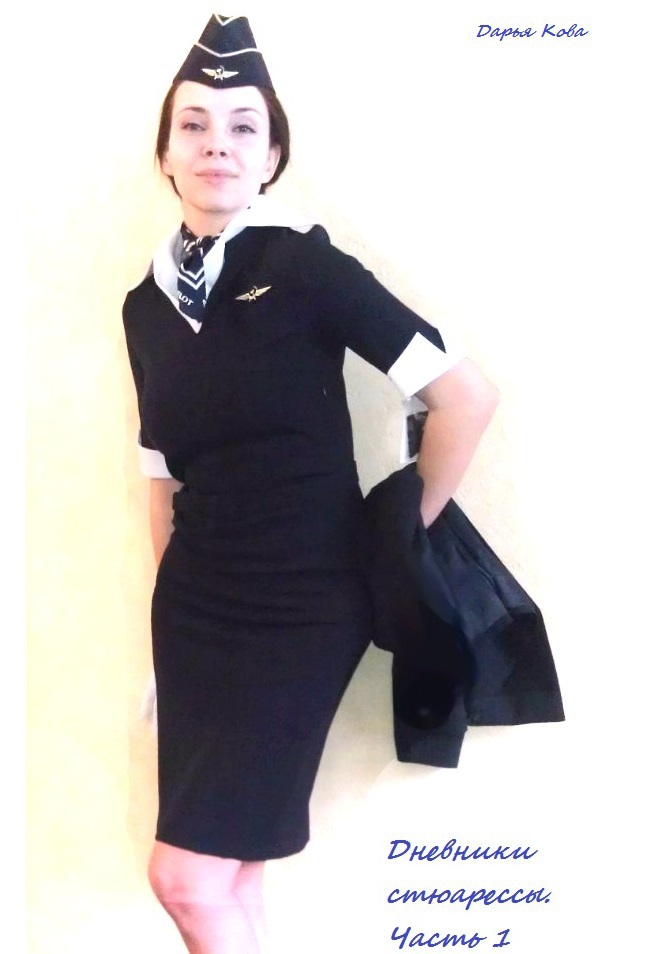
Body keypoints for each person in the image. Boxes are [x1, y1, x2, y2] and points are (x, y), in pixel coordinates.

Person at [123, 13, 499, 954]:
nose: (217, 143)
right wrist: (164, 632)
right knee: (231, 873)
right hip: (195, 611)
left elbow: (465, 397)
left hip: (301, 605)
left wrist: (393, 537)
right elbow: (161, 478)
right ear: (165, 154)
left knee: (183, 877)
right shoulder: (143, 306)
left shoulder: (303, 265)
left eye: (242, 125)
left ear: (273, 156)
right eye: (194, 124)